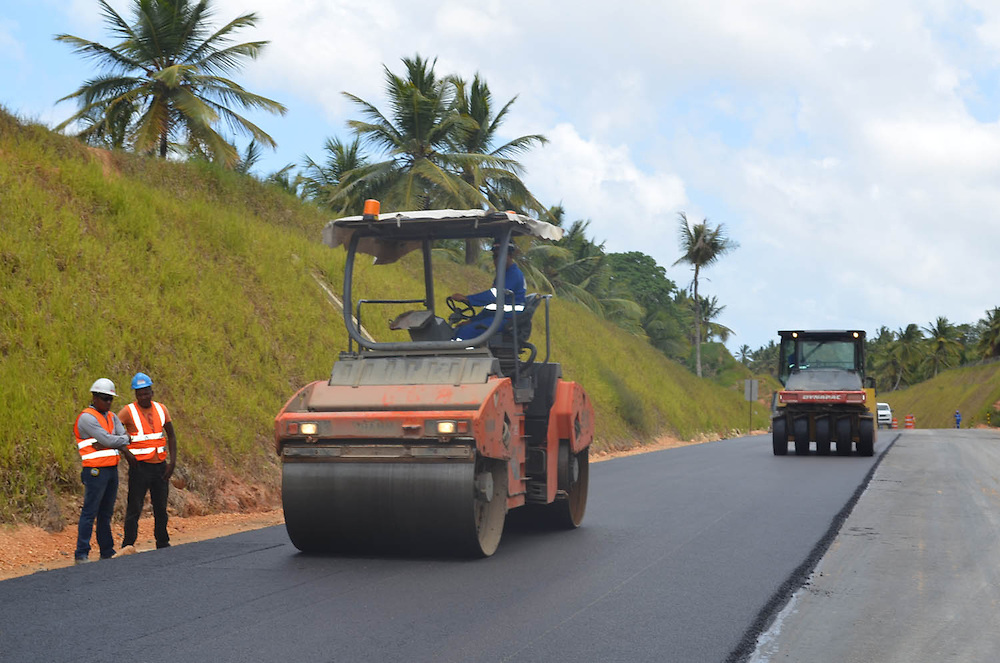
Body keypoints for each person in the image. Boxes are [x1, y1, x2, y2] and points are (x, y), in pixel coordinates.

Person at [73, 378, 136, 564]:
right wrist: (118, 440)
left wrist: (116, 440)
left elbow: (119, 437)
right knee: (90, 511)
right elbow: (111, 439)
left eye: (110, 399)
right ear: (94, 397)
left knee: (106, 512)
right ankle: (81, 553)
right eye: (104, 398)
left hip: (110, 469)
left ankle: (106, 550)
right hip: (94, 471)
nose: (108, 402)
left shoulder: (112, 416)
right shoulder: (87, 418)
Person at [118, 372, 177, 553]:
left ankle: (162, 541)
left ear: (152, 392)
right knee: (134, 507)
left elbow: (171, 436)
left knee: (160, 507)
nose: (143, 396)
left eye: (146, 392)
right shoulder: (128, 411)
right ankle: (128, 544)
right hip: (140, 468)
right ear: (135, 394)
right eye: (139, 393)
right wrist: (127, 454)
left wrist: (172, 463)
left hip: (160, 467)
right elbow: (114, 433)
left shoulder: (161, 409)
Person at [450, 240, 526, 341]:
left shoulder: (514, 275)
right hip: (497, 317)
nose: (496, 260)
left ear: (510, 256)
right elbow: (491, 308)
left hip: (506, 319)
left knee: (465, 332)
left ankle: (459, 355)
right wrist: (472, 320)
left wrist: (467, 299)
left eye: (500, 256)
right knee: (460, 328)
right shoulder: (503, 274)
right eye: (494, 257)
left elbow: (495, 295)